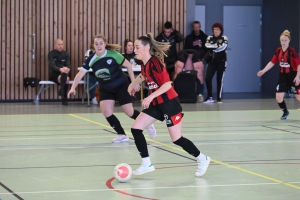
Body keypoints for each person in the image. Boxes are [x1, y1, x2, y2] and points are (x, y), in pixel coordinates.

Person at [127, 33, 210, 176]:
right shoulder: (144, 63)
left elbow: (167, 84)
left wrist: (150, 96)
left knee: (177, 139)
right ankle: (147, 163)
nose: (134, 50)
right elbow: (143, 76)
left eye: (137, 47)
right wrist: (133, 84)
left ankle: (202, 158)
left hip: (169, 103)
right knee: (136, 128)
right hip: (157, 103)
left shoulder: (156, 62)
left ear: (147, 48)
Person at [68, 34, 156, 143]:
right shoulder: (91, 59)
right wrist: (73, 88)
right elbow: (80, 74)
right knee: (106, 112)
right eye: (96, 44)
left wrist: (133, 83)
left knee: (129, 112)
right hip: (105, 88)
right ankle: (122, 135)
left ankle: (148, 123)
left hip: (121, 86)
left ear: (105, 44)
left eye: (101, 43)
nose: (99, 46)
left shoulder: (113, 54)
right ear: (93, 45)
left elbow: (128, 66)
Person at [257, 30, 300, 120]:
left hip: (293, 76)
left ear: (289, 41)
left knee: (298, 97)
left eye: (285, 40)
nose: (283, 42)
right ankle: (285, 111)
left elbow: (298, 64)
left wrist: (298, 76)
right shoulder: (278, 51)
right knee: (278, 97)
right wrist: (263, 71)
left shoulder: (292, 51)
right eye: (282, 40)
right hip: (282, 76)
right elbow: (272, 62)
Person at [204, 23, 228, 103]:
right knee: (208, 78)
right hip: (212, 61)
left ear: (220, 30)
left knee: (219, 79)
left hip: (221, 62)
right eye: (214, 29)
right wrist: (216, 46)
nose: (215, 31)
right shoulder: (210, 37)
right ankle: (210, 96)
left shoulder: (224, 38)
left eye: (217, 29)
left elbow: (223, 47)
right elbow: (207, 45)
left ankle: (219, 97)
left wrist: (213, 47)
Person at [184, 21, 208, 101]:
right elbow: (185, 49)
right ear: (192, 28)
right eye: (195, 27)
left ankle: (200, 94)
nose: (197, 29)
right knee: (190, 77)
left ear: (200, 27)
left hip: (201, 60)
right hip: (191, 60)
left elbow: (208, 50)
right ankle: (191, 94)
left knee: (200, 77)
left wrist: (204, 58)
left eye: (198, 27)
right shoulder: (189, 38)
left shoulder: (205, 37)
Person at [48, 38, 71, 105]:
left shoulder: (66, 54)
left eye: (62, 44)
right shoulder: (51, 54)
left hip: (64, 74)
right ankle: (64, 98)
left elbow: (69, 65)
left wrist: (67, 69)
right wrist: (60, 69)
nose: (60, 46)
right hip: (54, 74)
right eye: (59, 44)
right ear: (55, 45)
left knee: (66, 78)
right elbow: (52, 65)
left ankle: (62, 90)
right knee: (65, 78)